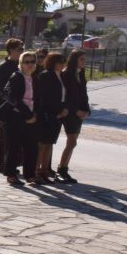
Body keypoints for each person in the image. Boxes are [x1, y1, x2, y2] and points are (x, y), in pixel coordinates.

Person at [0, 51, 39, 186]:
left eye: (32, 62)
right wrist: (27, 115)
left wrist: (34, 115)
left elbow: (36, 99)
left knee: (31, 147)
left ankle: (30, 175)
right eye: (26, 62)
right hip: (16, 116)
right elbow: (14, 99)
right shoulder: (17, 77)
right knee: (13, 147)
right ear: (21, 64)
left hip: (31, 117)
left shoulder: (34, 78)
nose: (30, 65)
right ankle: (11, 174)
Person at [0, 38, 23, 175]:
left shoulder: (20, 66)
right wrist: (7, 105)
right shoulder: (3, 67)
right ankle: (3, 164)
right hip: (5, 107)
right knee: (4, 140)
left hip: (18, 107)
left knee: (15, 140)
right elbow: (0, 90)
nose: (21, 51)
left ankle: (11, 164)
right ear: (11, 50)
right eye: (19, 49)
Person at [32, 51, 68, 185]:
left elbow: (64, 95)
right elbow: (45, 97)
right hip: (47, 114)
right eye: (60, 62)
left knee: (49, 144)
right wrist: (55, 112)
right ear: (53, 63)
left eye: (64, 62)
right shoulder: (45, 75)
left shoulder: (62, 75)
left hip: (59, 115)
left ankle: (44, 170)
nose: (63, 64)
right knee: (41, 144)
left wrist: (64, 109)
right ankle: (35, 171)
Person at [57, 50, 90, 183]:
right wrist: (75, 110)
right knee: (72, 142)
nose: (84, 62)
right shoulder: (66, 74)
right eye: (82, 59)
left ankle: (64, 169)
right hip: (69, 112)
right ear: (74, 59)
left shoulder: (81, 74)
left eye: (84, 59)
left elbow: (83, 94)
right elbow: (66, 96)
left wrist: (86, 110)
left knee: (73, 142)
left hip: (79, 113)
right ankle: (61, 170)